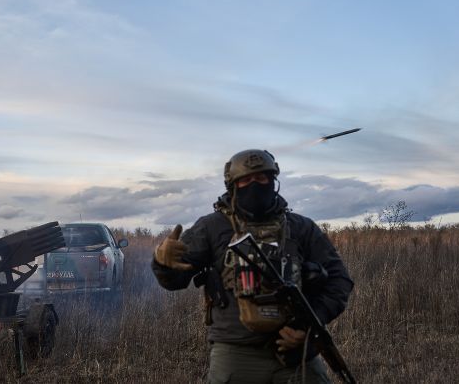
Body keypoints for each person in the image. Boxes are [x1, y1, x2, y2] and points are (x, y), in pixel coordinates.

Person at [151, 149, 353, 384]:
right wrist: (162, 263)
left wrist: (308, 325)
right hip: (236, 354)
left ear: (273, 181)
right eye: (245, 180)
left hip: (298, 353)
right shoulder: (211, 227)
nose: (254, 185)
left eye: (261, 178)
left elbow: (340, 280)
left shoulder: (301, 227)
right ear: (233, 186)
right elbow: (174, 281)